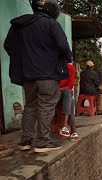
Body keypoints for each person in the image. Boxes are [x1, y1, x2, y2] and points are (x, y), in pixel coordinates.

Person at [4, 0, 72, 153]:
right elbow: (62, 45)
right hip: (47, 75)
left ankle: (25, 142)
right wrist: (68, 57)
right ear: (52, 10)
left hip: (28, 76)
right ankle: (42, 142)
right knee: (46, 106)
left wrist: (23, 60)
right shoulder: (51, 24)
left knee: (30, 107)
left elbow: (8, 45)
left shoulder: (20, 25)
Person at [59, 63, 80, 141]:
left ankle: (65, 126)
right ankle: (72, 129)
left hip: (64, 93)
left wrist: (60, 89)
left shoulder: (70, 68)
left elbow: (70, 86)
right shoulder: (53, 66)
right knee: (70, 97)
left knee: (69, 94)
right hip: (55, 94)